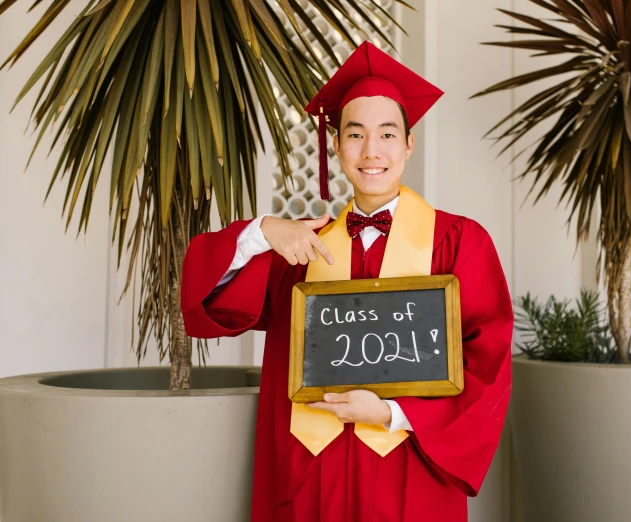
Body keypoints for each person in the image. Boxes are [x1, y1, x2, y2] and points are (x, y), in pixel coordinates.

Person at [181, 41, 512, 522]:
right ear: (335, 145)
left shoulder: (459, 242)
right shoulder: (301, 248)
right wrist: (261, 232)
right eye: (355, 135)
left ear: (408, 144)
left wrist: (394, 413)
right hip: (313, 475)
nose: (371, 152)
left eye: (387, 134)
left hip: (411, 469)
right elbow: (208, 303)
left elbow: (490, 364)